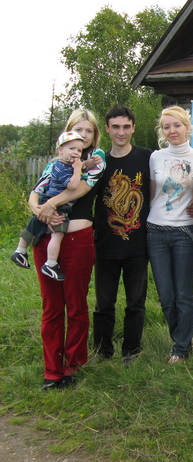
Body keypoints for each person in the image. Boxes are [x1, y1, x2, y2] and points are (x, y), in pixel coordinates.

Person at [28, 109, 106, 390]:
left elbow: (78, 191)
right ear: (68, 132)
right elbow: (36, 190)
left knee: (75, 305)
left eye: (88, 131)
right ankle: (52, 369)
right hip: (46, 240)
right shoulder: (57, 162)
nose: (83, 136)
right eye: (77, 130)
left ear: (94, 135)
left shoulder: (95, 161)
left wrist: (50, 205)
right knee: (51, 307)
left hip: (78, 241)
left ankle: (73, 364)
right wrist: (38, 208)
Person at [93, 105, 153, 364]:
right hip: (105, 244)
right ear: (107, 129)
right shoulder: (99, 163)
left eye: (126, 127)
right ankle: (102, 351)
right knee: (103, 304)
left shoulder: (147, 158)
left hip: (137, 246)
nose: (121, 132)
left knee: (135, 303)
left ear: (133, 128)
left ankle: (131, 350)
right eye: (115, 127)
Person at [147, 106, 193, 363]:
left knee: (183, 293)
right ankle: (181, 336)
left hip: (185, 232)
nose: (172, 131)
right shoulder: (155, 158)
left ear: (187, 127)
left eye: (177, 125)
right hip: (155, 231)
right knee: (165, 295)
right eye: (167, 126)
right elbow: (152, 195)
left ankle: (181, 348)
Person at [12, 131, 85, 281]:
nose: (76, 153)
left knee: (35, 223)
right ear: (60, 150)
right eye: (72, 149)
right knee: (58, 234)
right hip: (58, 204)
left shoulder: (65, 165)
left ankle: (20, 251)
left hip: (50, 200)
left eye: (79, 150)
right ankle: (50, 264)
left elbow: (83, 167)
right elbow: (73, 185)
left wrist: (86, 164)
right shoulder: (60, 167)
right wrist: (78, 169)